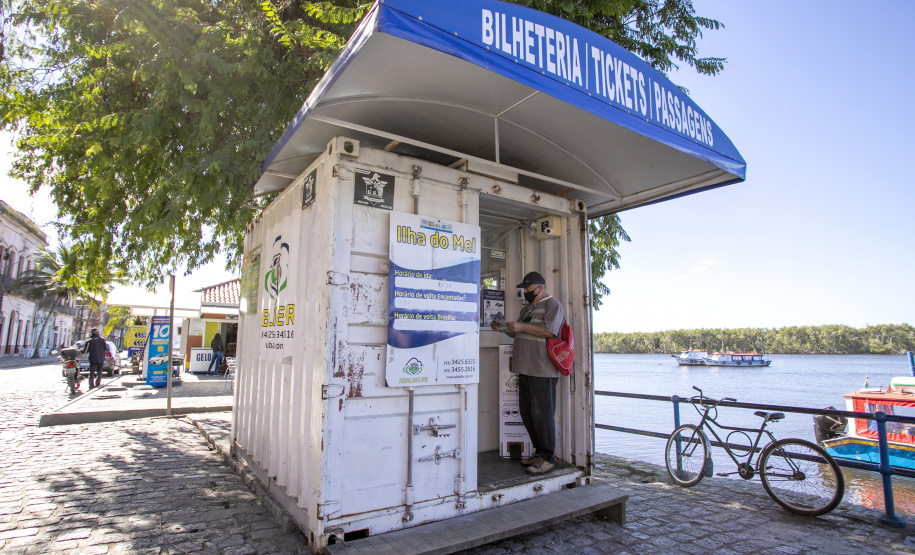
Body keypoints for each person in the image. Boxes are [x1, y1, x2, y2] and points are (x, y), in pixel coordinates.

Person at [491, 271, 564, 475]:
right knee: (528, 413)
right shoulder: (527, 308)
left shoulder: (553, 304)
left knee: (542, 415)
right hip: (524, 367)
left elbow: (550, 330)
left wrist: (521, 325)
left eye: (528, 289)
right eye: (524, 289)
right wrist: (504, 327)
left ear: (539, 288)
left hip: (542, 369)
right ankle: (539, 454)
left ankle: (548, 458)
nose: (525, 292)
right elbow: (517, 331)